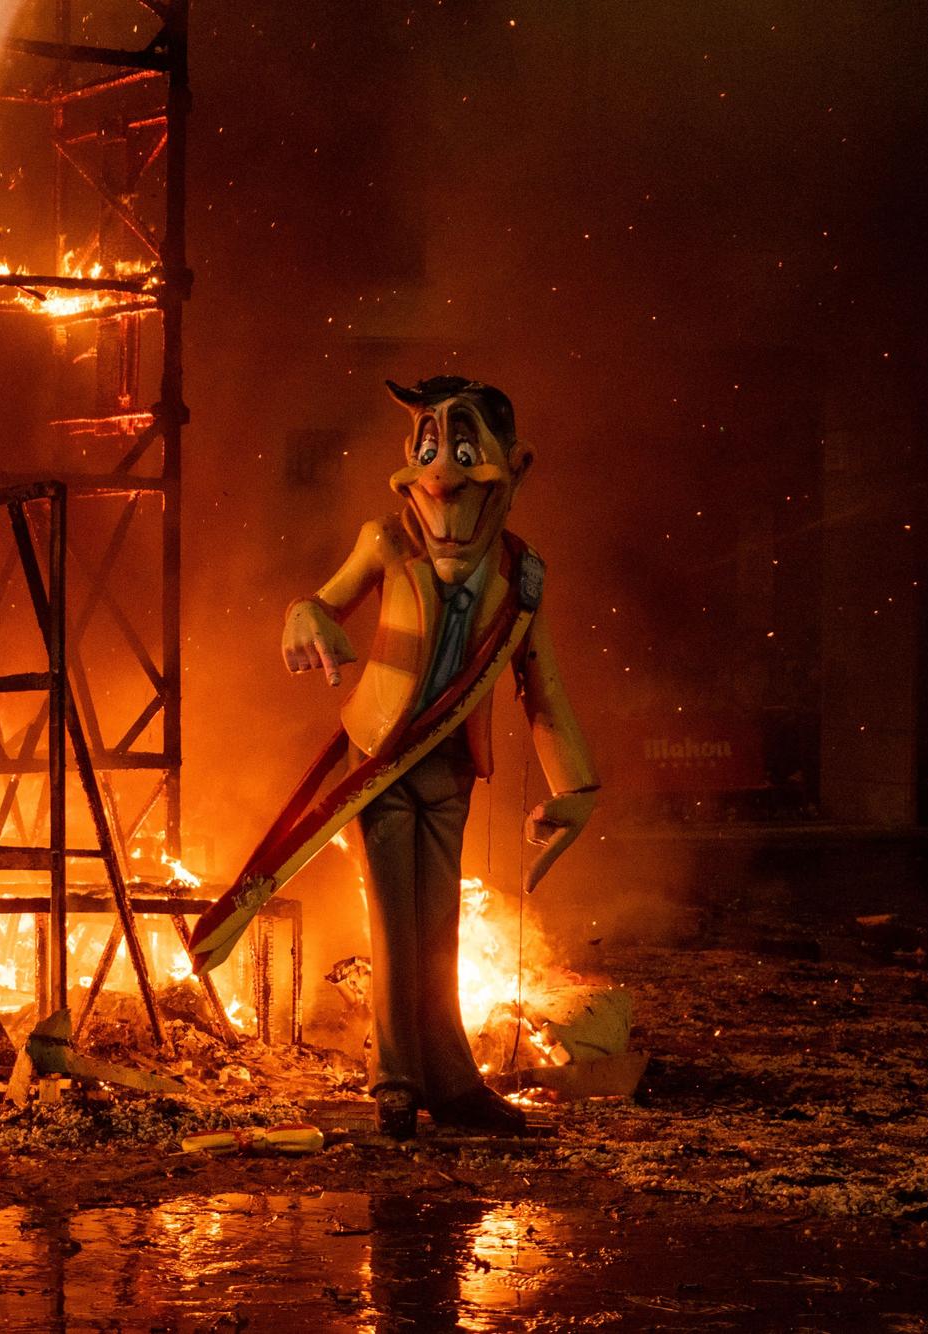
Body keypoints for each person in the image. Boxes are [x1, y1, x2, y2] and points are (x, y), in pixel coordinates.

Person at [281, 377, 597, 1140]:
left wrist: (575, 787)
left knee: (440, 928)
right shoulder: (385, 545)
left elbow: (542, 691)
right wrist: (304, 620)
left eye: (462, 451)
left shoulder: (522, 580)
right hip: (383, 763)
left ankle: (452, 1082)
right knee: (395, 925)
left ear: (513, 469)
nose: (441, 474)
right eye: (428, 449)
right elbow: (319, 601)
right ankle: (395, 1082)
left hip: (451, 769)